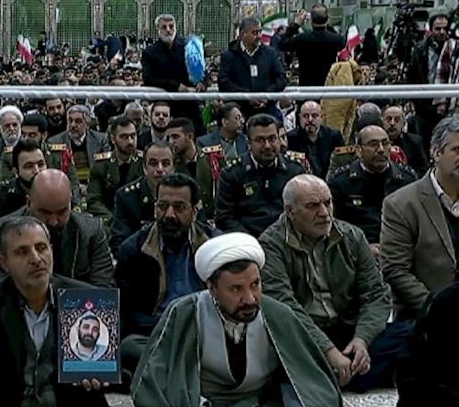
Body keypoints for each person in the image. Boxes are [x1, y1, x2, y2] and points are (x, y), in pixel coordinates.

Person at [131, 232, 342, 407]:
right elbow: (153, 381)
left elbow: (310, 380)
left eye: (255, 285)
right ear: (212, 288)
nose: (249, 299)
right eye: (236, 289)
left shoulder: (278, 315)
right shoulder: (185, 313)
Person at [0, 216, 110, 407]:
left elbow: (108, 365)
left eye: (41, 248)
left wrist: (102, 376)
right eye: (22, 252)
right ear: (3, 262)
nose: (36, 259)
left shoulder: (84, 299)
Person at [260, 174, 395, 391]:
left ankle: (338, 373)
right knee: (276, 352)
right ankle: (349, 373)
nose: (324, 213)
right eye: (312, 206)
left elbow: (376, 294)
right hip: (304, 334)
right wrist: (328, 350)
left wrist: (362, 339)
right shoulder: (271, 245)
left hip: (347, 328)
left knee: (410, 336)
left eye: (327, 203)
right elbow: (284, 306)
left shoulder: (352, 236)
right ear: (290, 211)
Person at [116, 173, 219, 379]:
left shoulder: (215, 246)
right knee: (128, 348)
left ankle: (169, 372)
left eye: (179, 207)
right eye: (163, 206)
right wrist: (166, 331)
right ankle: (189, 370)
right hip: (156, 334)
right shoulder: (134, 250)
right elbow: (129, 312)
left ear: (194, 211)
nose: (169, 215)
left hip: (203, 332)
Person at [382, 115, 459, 320]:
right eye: (457, 150)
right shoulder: (401, 203)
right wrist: (436, 309)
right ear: (436, 152)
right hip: (425, 316)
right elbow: (395, 270)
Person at [0, 169, 114, 287]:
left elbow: (103, 289)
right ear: (29, 203)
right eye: (45, 212)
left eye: (61, 212)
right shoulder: (0, 233)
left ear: (70, 203)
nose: (53, 222)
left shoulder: (91, 231)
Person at [215, 114, 306, 237]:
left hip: (287, 237)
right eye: (260, 140)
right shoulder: (232, 173)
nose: (267, 145)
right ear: (248, 143)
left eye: (272, 139)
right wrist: (250, 241)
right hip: (247, 239)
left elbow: (304, 208)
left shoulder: (294, 170)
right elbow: (224, 217)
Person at [328, 125, 417, 247]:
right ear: (359, 150)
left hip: (400, 246)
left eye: (385, 143)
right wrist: (363, 248)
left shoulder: (407, 178)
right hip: (356, 248)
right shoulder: (341, 181)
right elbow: (334, 225)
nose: (381, 149)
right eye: (373, 144)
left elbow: (416, 221)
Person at [142, 13, 208, 135]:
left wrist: (202, 82)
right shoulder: (150, 52)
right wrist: (175, 85)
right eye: (164, 27)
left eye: (171, 26)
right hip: (165, 104)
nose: (168, 30)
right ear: (157, 29)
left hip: (189, 103)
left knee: (198, 135)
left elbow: (202, 70)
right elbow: (148, 79)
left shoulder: (188, 47)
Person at [218, 18, 288, 119]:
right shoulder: (229, 56)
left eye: (260, 32)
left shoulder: (270, 53)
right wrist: (246, 97)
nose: (259, 36)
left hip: (267, 109)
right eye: (255, 33)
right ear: (243, 34)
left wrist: (266, 95)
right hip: (239, 110)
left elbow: (281, 78)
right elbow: (224, 82)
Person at [112, 141, 174, 251]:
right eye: (153, 164)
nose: (160, 169)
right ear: (144, 167)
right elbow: (119, 245)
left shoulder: (186, 193)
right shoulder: (126, 197)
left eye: (165, 164)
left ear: (173, 168)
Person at [87, 116, 144, 222]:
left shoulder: (144, 162)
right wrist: (113, 219)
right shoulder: (101, 165)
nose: (130, 141)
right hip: (110, 219)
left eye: (133, 136)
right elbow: (93, 200)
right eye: (124, 137)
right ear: (113, 139)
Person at [278, 4, 346, 86]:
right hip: (328, 86)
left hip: (307, 86)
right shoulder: (336, 39)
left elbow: (282, 44)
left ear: (311, 20)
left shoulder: (302, 39)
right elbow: (342, 42)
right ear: (327, 19)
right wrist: (327, 24)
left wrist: (296, 24)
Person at [48, 105, 110, 183]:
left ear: (87, 124)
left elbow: (105, 167)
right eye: (70, 121)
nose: (73, 125)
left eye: (78, 121)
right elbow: (54, 172)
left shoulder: (101, 139)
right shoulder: (54, 142)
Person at [0, 139, 47, 219]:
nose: (37, 171)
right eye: (29, 166)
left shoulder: (57, 188)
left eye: (40, 165)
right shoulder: (3, 193)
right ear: (16, 171)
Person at [286, 101, 345, 178]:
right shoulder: (291, 138)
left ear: (321, 117)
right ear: (300, 118)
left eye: (314, 116)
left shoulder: (334, 136)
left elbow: (342, 164)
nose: (310, 119)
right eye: (306, 116)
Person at [382, 105, 429, 176]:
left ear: (403, 124)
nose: (392, 123)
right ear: (382, 122)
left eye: (397, 120)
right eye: (389, 119)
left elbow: (424, 169)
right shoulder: (375, 141)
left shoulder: (414, 141)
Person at [408, 13, 451, 85]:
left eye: (445, 28)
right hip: (426, 88)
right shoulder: (420, 48)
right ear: (431, 29)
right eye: (438, 29)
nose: (442, 32)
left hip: (448, 89)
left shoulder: (453, 47)